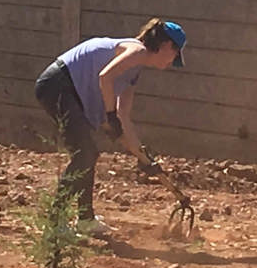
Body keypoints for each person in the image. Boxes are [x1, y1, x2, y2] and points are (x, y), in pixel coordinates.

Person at [34, 17, 186, 235]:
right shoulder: (136, 50)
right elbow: (105, 77)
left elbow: (122, 117)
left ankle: (85, 220)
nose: (172, 62)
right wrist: (109, 114)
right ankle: (55, 222)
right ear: (166, 46)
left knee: (88, 154)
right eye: (174, 55)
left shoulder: (134, 71)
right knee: (85, 154)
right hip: (57, 85)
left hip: (72, 92)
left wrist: (143, 157)